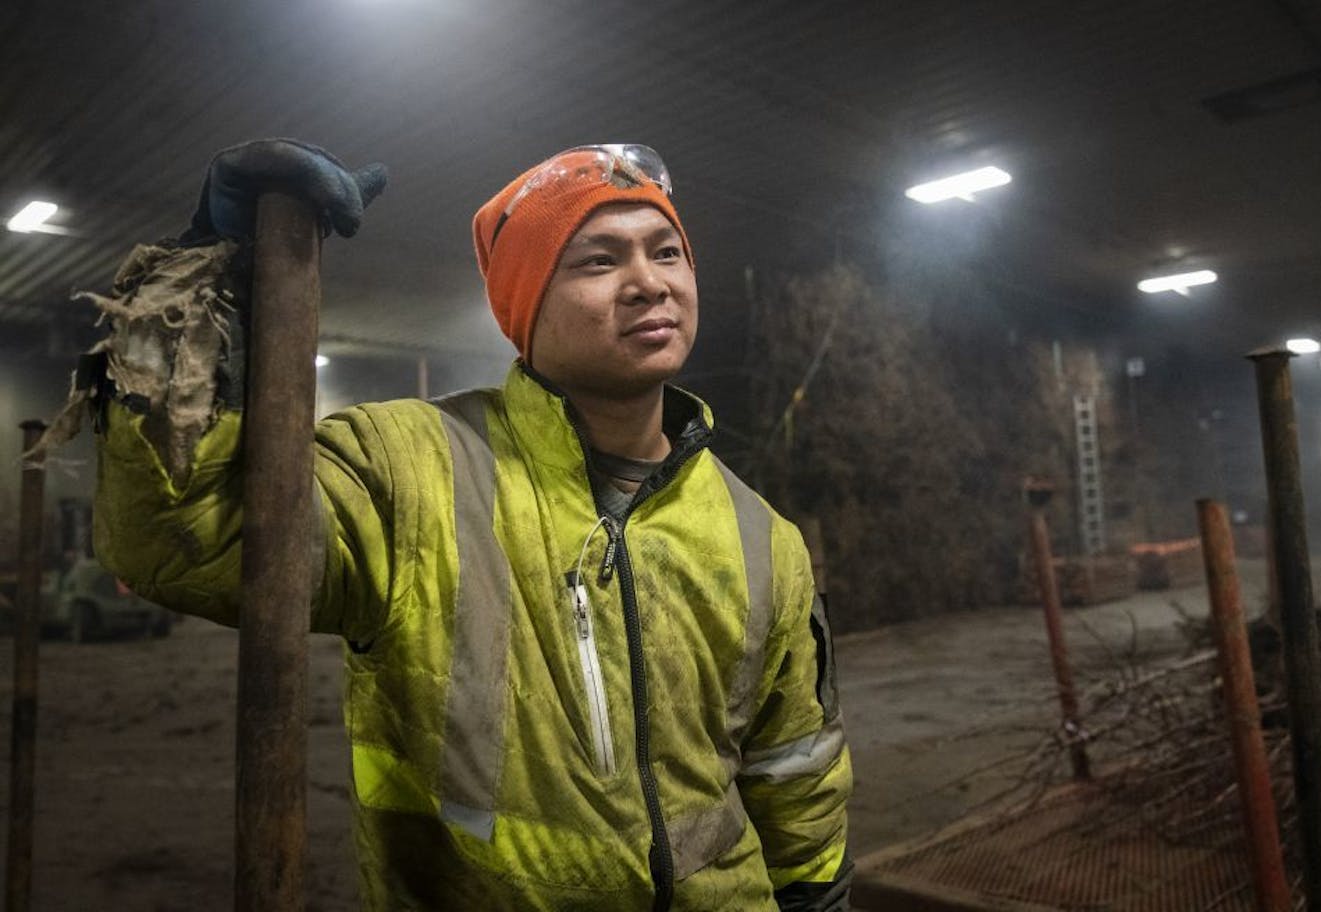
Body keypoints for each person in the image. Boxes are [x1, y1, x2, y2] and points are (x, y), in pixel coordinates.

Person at [64, 140, 852, 910]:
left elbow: (797, 769)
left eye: (667, 252)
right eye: (599, 261)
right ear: (526, 305)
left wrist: (819, 897)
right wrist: (207, 274)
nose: (650, 284)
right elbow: (179, 532)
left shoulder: (761, 535)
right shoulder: (406, 469)